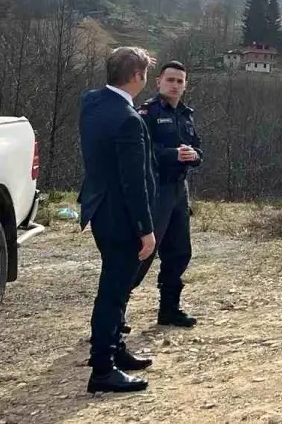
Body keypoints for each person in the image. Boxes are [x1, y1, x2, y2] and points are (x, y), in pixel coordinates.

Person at [78, 47, 158, 394]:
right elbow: (134, 181)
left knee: (118, 286)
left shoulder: (91, 102)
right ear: (137, 76)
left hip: (98, 207)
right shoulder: (129, 118)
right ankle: (102, 368)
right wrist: (146, 229)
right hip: (121, 216)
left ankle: (117, 350)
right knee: (113, 291)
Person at [132, 60, 202, 328]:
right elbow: (141, 154)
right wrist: (172, 154)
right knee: (142, 253)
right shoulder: (146, 114)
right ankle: (116, 314)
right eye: (170, 80)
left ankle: (169, 309)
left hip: (179, 191)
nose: (175, 85)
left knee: (179, 252)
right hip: (155, 190)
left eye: (180, 81)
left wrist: (194, 155)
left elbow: (198, 149)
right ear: (158, 82)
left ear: (186, 86)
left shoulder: (186, 114)